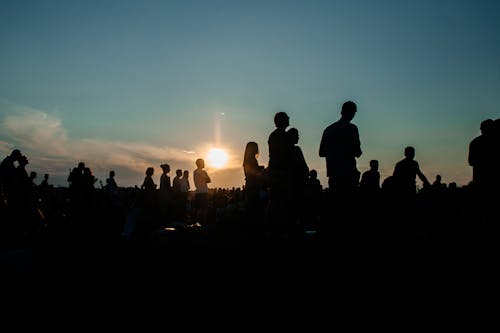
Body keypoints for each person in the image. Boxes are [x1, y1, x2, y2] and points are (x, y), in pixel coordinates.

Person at [319, 101, 362, 194]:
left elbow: (321, 152)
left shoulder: (329, 129)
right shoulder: (352, 128)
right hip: (348, 174)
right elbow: (357, 152)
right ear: (352, 113)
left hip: (334, 174)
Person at [267, 112, 292, 235]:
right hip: (282, 172)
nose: (289, 119)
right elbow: (285, 155)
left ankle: (275, 228)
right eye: (287, 118)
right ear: (282, 120)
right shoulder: (283, 136)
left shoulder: (273, 135)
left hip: (275, 172)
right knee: (281, 202)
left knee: (276, 201)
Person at [243, 141, 267, 217]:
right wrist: (261, 170)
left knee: (251, 208)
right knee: (255, 208)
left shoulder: (247, 160)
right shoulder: (252, 160)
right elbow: (253, 173)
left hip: (250, 185)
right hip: (253, 186)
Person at [193, 158, 211, 227]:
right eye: (203, 162)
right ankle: (203, 225)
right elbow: (209, 180)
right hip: (203, 192)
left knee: (197, 209)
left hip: (198, 192)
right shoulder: (203, 172)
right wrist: (204, 180)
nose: (204, 164)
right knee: (204, 210)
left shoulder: (195, 172)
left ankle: (195, 224)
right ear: (200, 164)